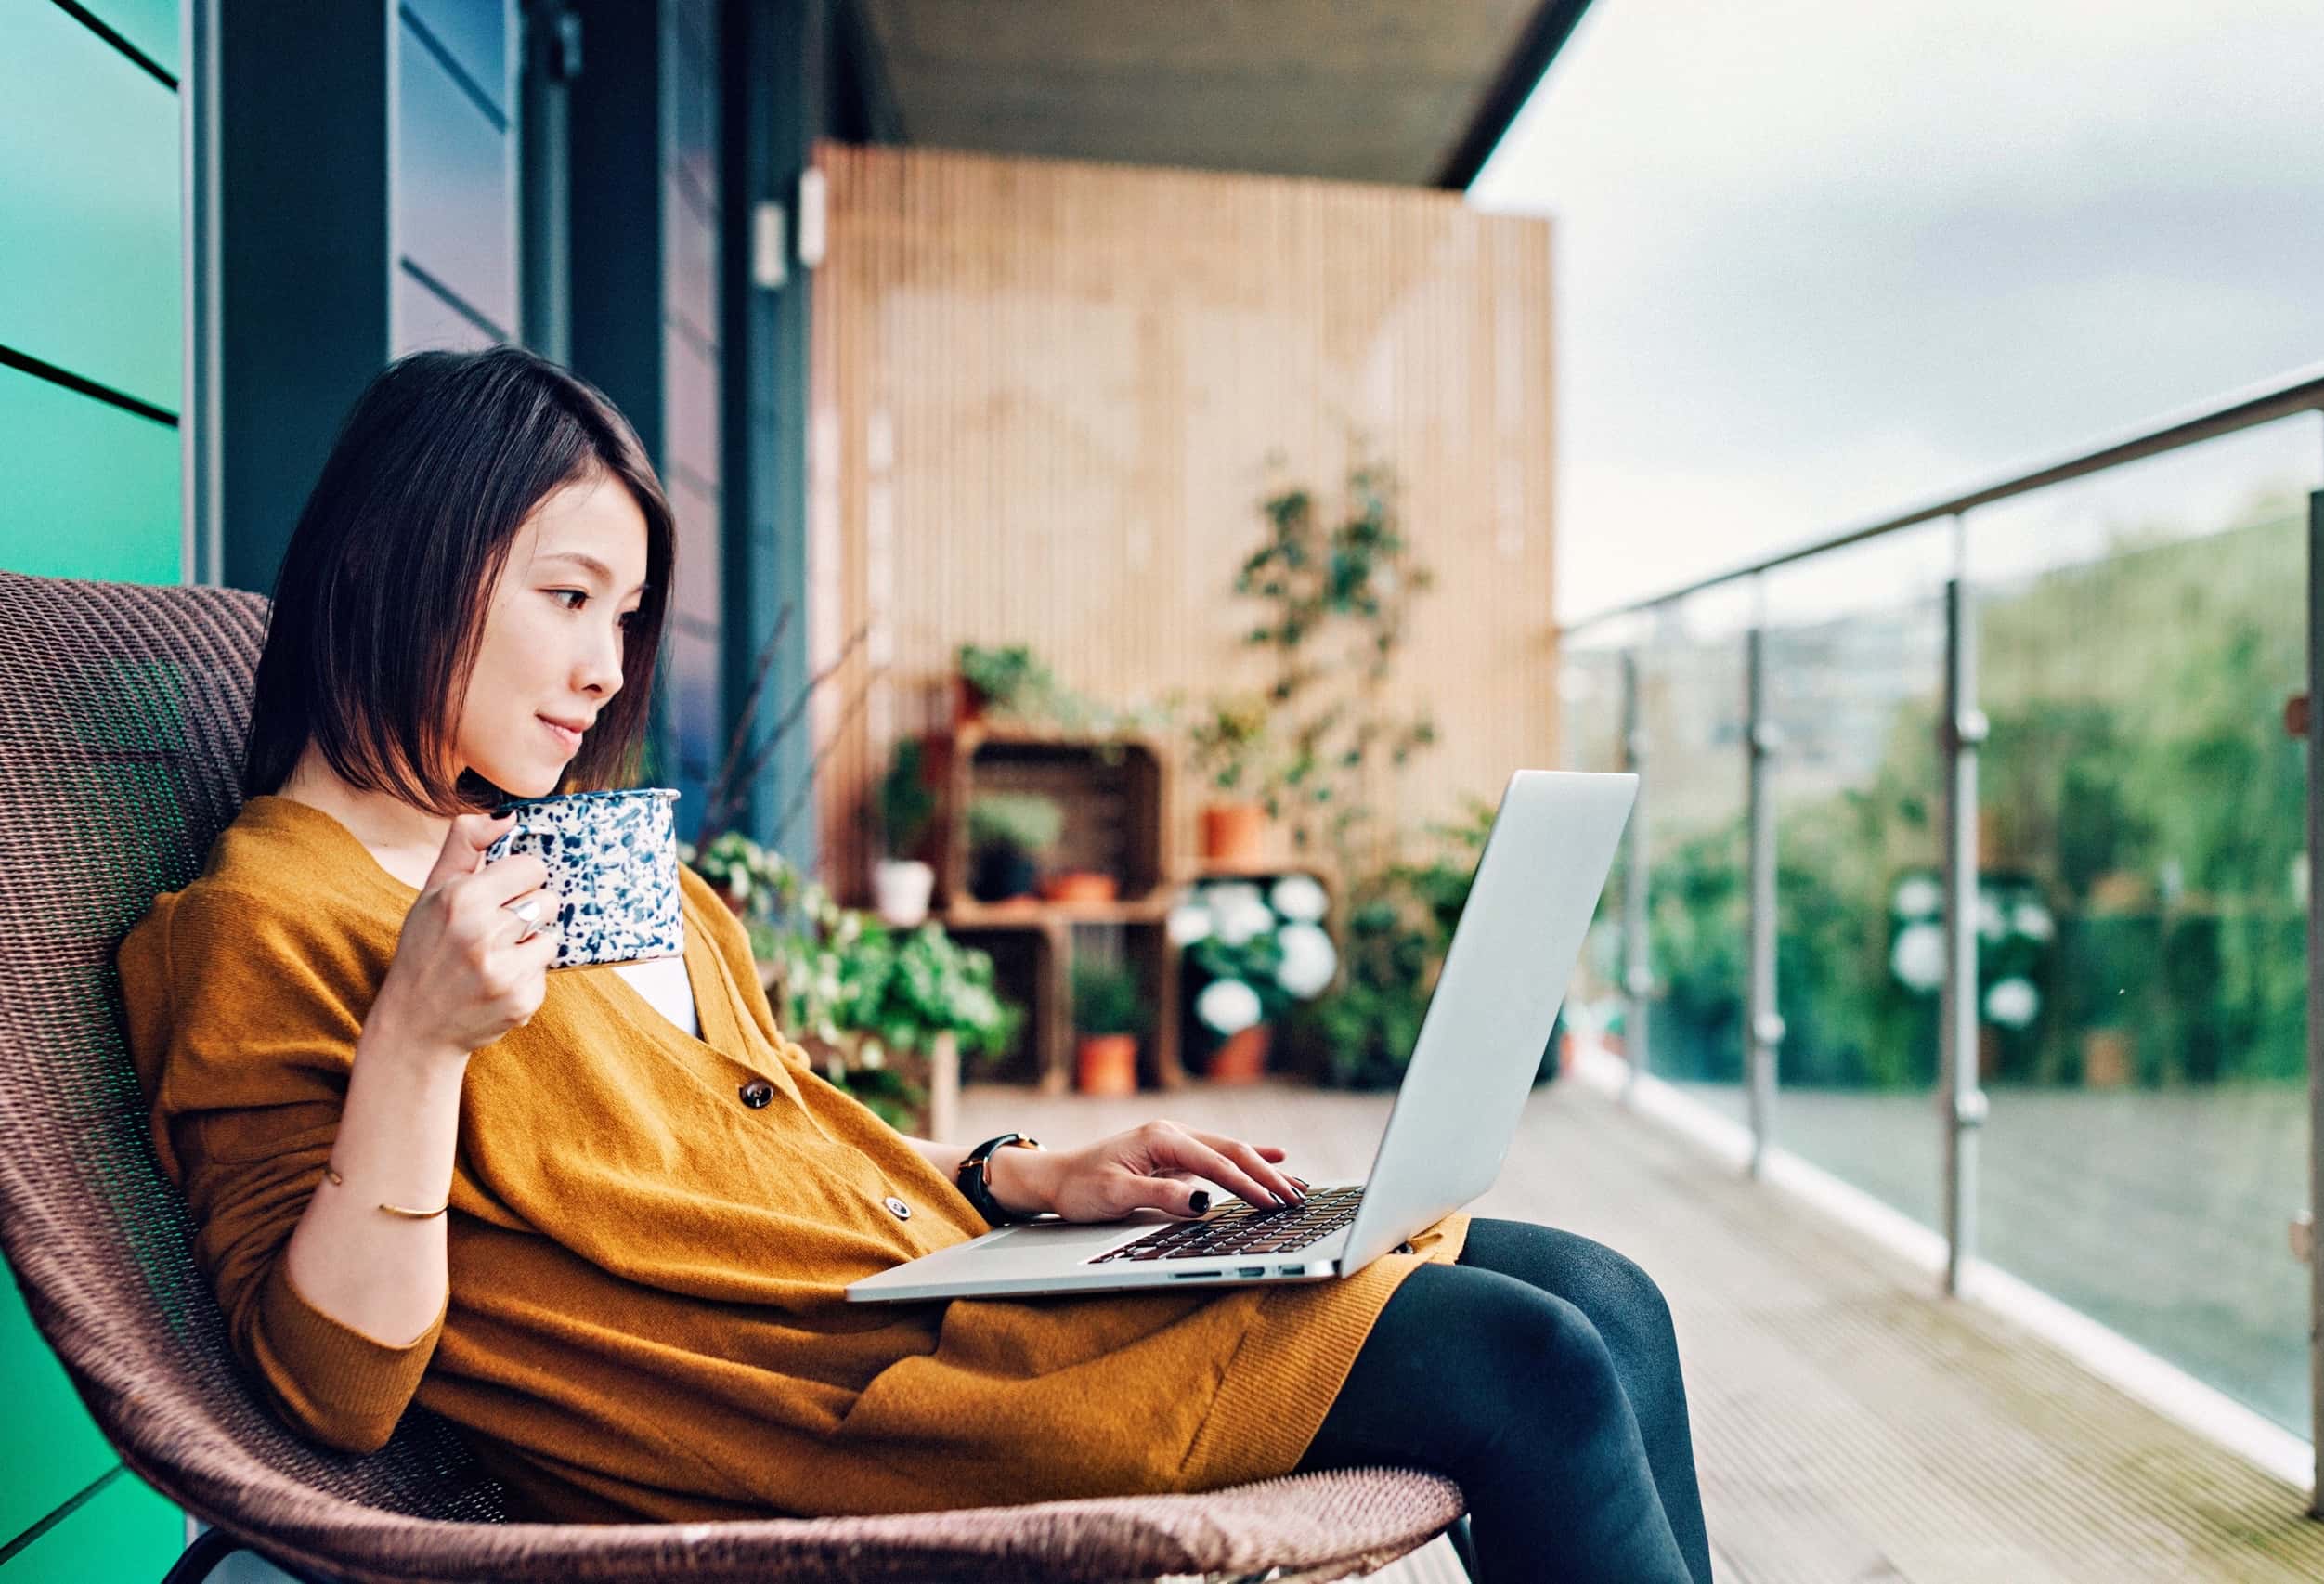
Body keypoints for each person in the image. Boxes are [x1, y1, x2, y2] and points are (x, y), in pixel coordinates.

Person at [116, 346, 1711, 1584]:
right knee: (1535, 1363)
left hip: (939, 1285)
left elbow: (765, 1133)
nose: (606, 667)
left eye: (628, 611)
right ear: (406, 563)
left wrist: (1030, 1178)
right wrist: (416, 1042)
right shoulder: (262, 923)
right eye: (567, 598)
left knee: (1605, 1293)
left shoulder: (561, 845)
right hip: (831, 1410)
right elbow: (326, 1388)